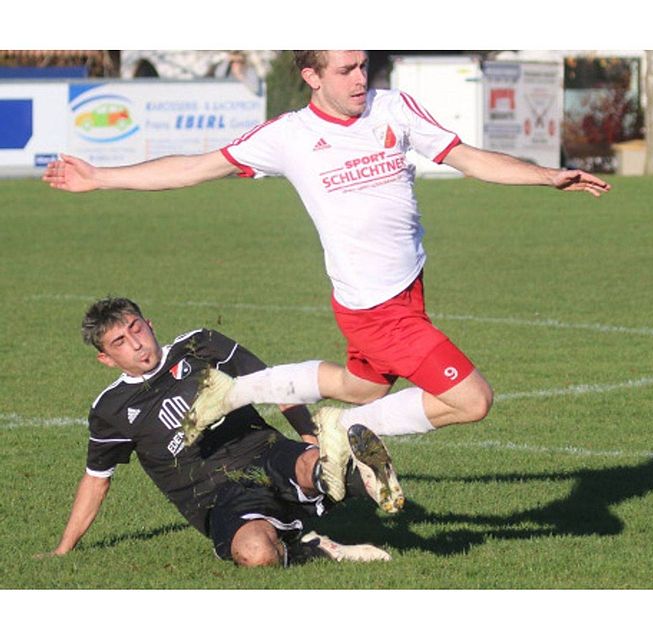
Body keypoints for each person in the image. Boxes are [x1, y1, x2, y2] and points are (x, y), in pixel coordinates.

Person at [43, 50, 611, 441]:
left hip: (408, 288)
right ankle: (343, 430)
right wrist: (102, 176)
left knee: (360, 385)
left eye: (364, 65)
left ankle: (239, 389)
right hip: (377, 309)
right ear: (313, 77)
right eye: (346, 70)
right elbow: (195, 167)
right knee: (473, 401)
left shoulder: (394, 109)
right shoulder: (288, 137)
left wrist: (545, 175)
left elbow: (469, 158)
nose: (360, 78)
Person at [41, 297, 402, 568]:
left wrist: (310, 439)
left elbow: (275, 386)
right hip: (215, 497)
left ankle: (349, 470)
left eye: (136, 328)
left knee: (313, 466)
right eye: (119, 341)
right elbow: (96, 480)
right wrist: (63, 549)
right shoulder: (111, 410)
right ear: (105, 358)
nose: (136, 344)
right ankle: (314, 545)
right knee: (257, 555)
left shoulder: (199, 346)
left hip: (264, 452)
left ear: (149, 324)